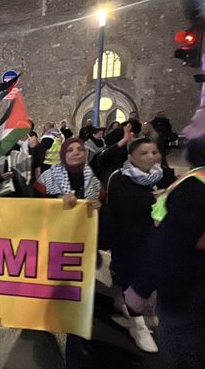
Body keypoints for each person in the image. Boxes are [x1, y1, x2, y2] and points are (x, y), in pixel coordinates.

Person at [124, 110, 205, 368]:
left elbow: (167, 247)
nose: (187, 132)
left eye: (195, 125)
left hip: (187, 302)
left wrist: (139, 291)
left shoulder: (194, 187)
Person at [105, 138, 174, 353]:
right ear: (131, 158)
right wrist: (154, 200)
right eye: (144, 153)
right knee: (132, 279)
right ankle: (138, 326)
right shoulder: (119, 178)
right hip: (128, 239)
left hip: (156, 238)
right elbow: (123, 205)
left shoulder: (165, 175)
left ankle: (146, 311)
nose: (151, 156)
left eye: (154, 151)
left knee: (153, 277)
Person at [34, 138, 101, 209]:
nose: (76, 153)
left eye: (80, 149)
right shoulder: (48, 177)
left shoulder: (93, 177)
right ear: (63, 155)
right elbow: (34, 204)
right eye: (70, 150)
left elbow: (103, 202)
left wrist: (98, 206)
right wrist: (57, 200)